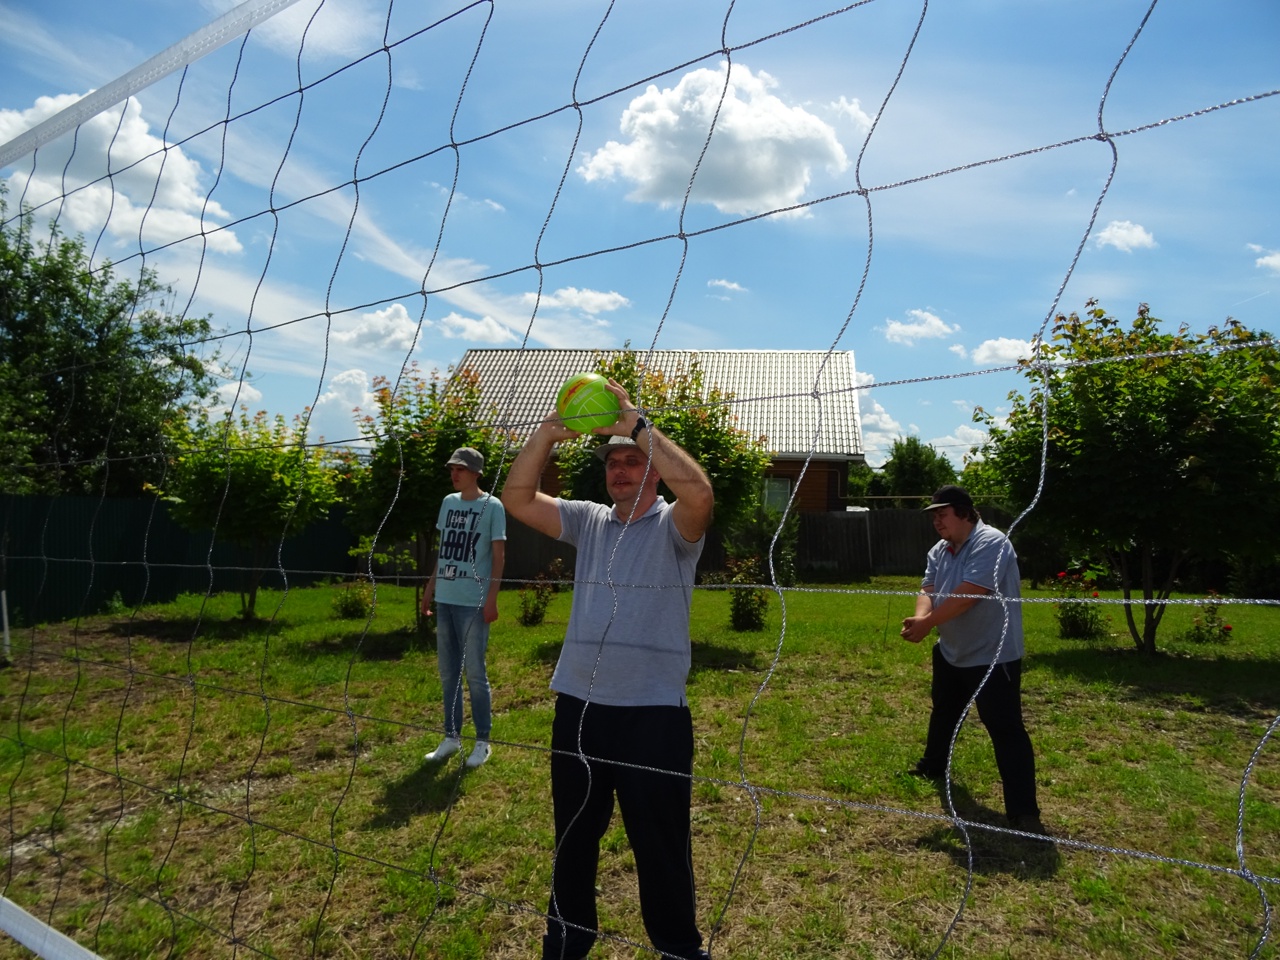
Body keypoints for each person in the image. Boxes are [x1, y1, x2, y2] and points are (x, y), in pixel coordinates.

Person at [501, 379, 715, 960]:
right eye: (612, 463)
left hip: (652, 716)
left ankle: (677, 947)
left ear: (653, 468)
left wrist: (635, 422)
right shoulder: (588, 521)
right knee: (573, 840)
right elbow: (516, 499)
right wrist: (546, 434)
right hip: (579, 708)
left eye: (632, 460)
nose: (619, 470)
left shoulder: (675, 529)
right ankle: (567, 941)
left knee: (660, 845)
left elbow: (699, 493)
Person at [899, 484, 1044, 834]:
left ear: (964, 512)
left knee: (1005, 729)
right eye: (934, 515)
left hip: (993, 656)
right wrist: (921, 618)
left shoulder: (991, 542)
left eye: (942, 513)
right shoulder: (941, 549)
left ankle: (1024, 812)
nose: (937, 521)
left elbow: (969, 595)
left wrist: (927, 623)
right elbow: (928, 589)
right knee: (944, 710)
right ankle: (934, 766)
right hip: (952, 652)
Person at [421, 447, 506, 769]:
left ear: (476, 473)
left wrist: (492, 598)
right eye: (452, 469)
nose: (454, 474)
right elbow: (444, 553)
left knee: (475, 673)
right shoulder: (448, 503)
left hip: (473, 603)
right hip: (446, 599)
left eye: (460, 469)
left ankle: (482, 740)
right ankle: (451, 737)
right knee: (448, 673)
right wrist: (431, 589)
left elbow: (499, 556)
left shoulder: (492, 506)